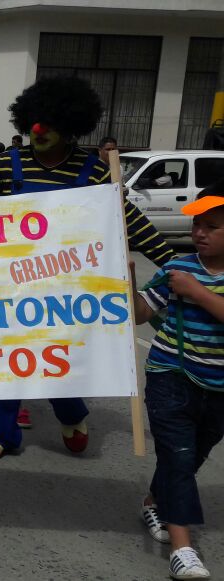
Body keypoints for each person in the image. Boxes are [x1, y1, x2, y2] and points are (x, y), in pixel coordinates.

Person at [0, 75, 176, 462]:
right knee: (5, 353)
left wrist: (176, 264)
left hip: (66, 287)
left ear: (70, 126)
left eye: (49, 122)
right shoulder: (5, 166)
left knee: (54, 355)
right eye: (34, 121)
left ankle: (71, 412)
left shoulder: (93, 172)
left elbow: (129, 221)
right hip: (7, 285)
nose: (38, 129)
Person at [131, 179, 224, 580]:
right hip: (170, 374)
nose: (199, 233)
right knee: (179, 456)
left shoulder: (188, 280)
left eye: (211, 226)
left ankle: (154, 502)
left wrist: (197, 293)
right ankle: (183, 550)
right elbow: (140, 314)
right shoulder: (176, 268)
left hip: (218, 388)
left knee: (192, 455)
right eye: (196, 224)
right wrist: (127, 283)